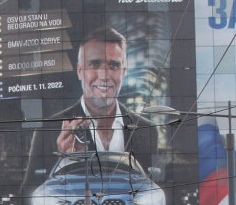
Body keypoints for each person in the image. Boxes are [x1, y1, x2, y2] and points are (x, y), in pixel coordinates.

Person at [23, 26, 157, 191]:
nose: (104, 75)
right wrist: (63, 161)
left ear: (123, 72)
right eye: (94, 64)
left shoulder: (147, 130)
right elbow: (28, 199)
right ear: (80, 71)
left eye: (113, 65)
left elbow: (156, 194)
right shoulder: (49, 129)